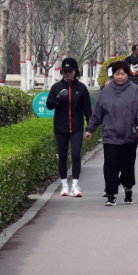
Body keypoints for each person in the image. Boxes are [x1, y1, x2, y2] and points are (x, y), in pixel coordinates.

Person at [86, 61, 138, 206]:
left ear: (128, 74)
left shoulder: (136, 90)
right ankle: (111, 194)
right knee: (111, 165)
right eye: (117, 74)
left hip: (130, 135)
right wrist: (90, 129)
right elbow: (97, 112)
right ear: (112, 75)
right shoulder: (106, 91)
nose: (120, 77)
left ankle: (128, 189)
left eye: (123, 74)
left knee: (128, 166)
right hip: (110, 135)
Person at [47, 57, 92, 197]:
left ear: (75, 71)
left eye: (70, 71)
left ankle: (75, 186)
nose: (67, 74)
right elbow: (49, 105)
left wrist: (90, 127)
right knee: (62, 156)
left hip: (77, 127)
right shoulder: (56, 87)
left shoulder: (81, 88)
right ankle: (64, 185)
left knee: (76, 155)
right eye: (65, 71)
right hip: (61, 127)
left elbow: (87, 108)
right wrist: (57, 99)